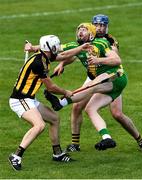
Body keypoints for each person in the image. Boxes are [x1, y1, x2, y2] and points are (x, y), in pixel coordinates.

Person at [54, 15, 142, 153]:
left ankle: (140, 140)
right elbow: (76, 53)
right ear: (92, 26)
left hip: (111, 76)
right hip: (93, 77)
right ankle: (75, 144)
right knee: (77, 107)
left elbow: (116, 59)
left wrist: (98, 60)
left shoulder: (109, 40)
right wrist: (63, 63)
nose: (100, 28)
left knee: (117, 114)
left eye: (103, 25)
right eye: (97, 25)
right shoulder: (87, 37)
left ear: (107, 27)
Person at [8, 35, 91, 171]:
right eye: (56, 46)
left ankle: (57, 154)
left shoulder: (45, 56)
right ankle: (16, 156)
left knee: (54, 118)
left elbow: (64, 56)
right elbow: (51, 88)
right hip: (20, 100)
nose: (57, 49)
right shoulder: (39, 63)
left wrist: (81, 48)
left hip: (29, 99)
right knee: (39, 125)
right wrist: (66, 92)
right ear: (50, 48)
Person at [44, 23, 128, 151]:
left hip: (116, 76)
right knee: (90, 109)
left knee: (92, 88)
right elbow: (57, 51)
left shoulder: (102, 43)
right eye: (79, 30)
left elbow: (117, 61)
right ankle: (107, 138)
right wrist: (34, 48)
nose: (80, 32)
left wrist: (98, 60)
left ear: (91, 34)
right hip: (104, 81)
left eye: (84, 30)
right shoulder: (77, 46)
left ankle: (60, 103)